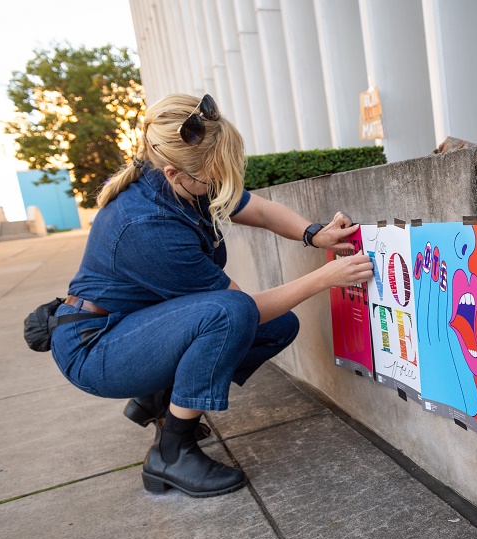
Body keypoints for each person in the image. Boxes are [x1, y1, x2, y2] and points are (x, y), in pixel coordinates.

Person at [50, 93, 373, 498]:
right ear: (173, 173)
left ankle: (158, 398)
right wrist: (324, 278)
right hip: (96, 349)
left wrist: (314, 232)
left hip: (131, 327)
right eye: (213, 177)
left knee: (279, 326)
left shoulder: (183, 179)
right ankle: (170, 453)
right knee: (232, 314)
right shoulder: (146, 224)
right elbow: (241, 309)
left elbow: (258, 210)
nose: (221, 183)